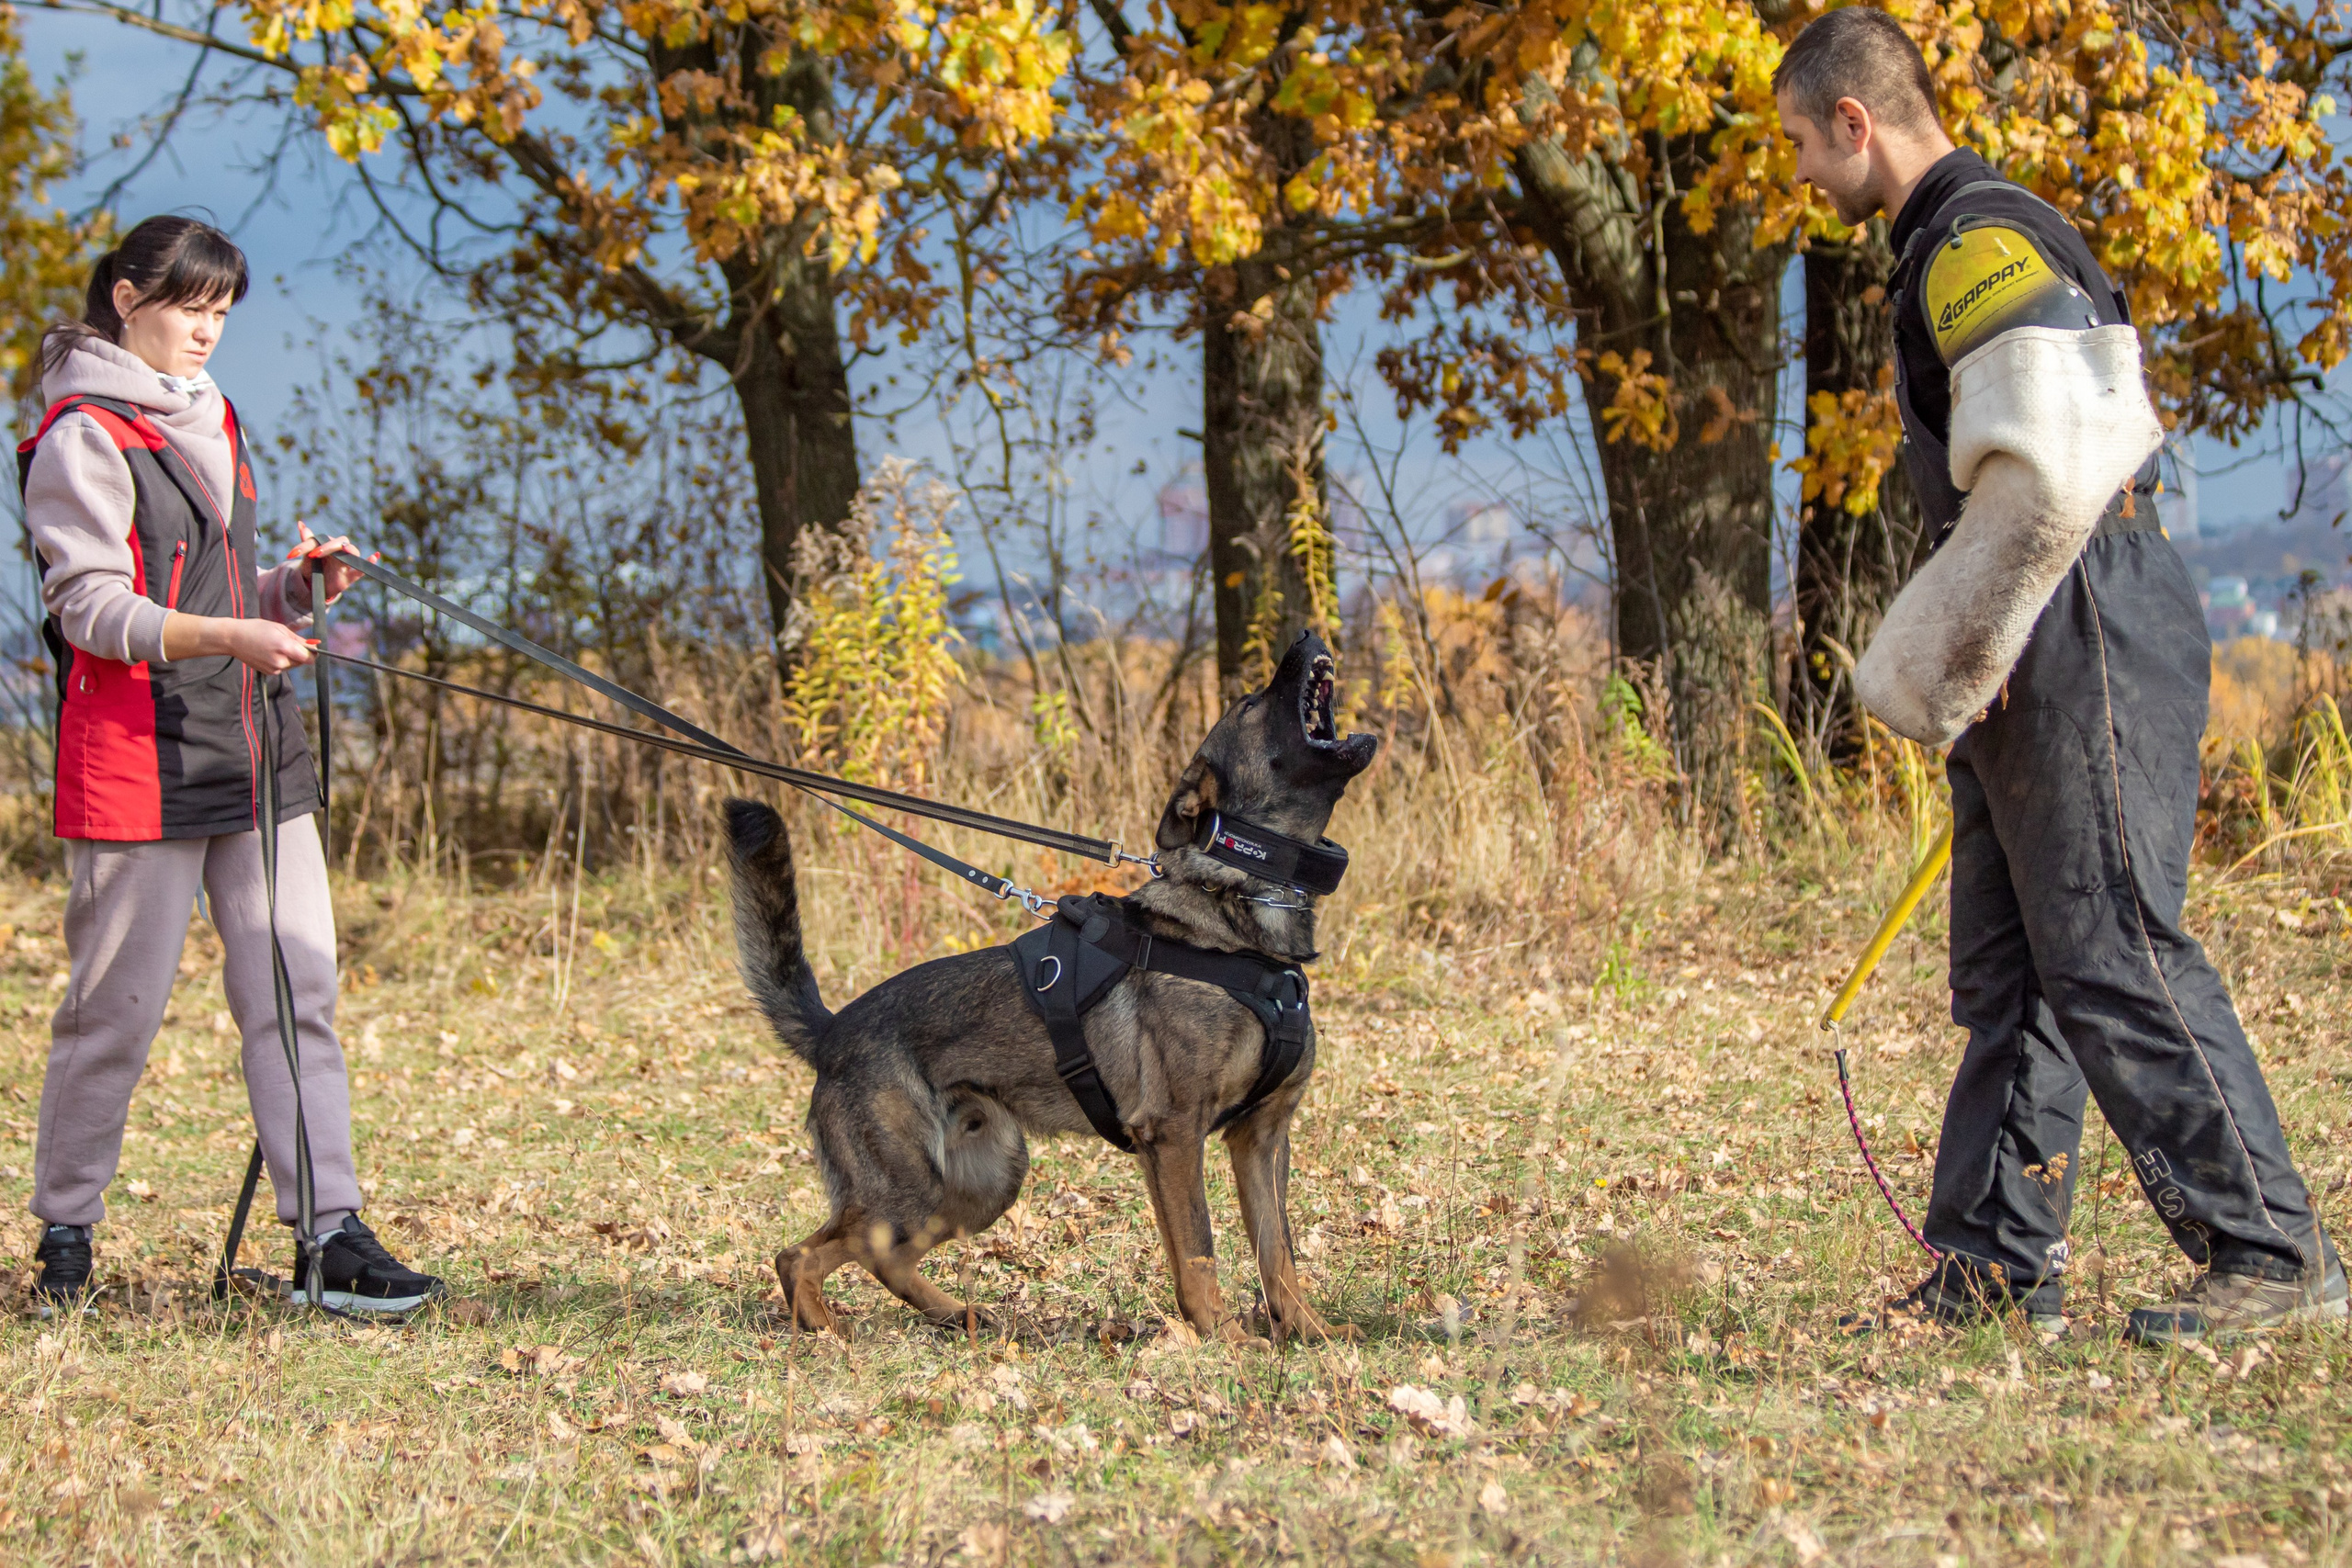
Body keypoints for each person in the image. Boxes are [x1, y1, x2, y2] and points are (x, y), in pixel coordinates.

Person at [1775, 11, 2343, 1345]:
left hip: (2072, 620)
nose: (1802, 171)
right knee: (2012, 972)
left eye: (1804, 143)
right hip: (2037, 635)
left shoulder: (1976, 238)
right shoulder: (1948, 243)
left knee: (2112, 944)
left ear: (1857, 123)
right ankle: (1991, 1270)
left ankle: (2271, 1250)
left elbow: (2059, 462)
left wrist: (1946, 656)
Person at [23, 216, 444, 1316]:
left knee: (296, 989)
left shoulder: (215, 417)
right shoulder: (82, 435)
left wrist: (299, 593)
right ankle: (67, 1232)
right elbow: (91, 609)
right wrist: (231, 637)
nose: (208, 332)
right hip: (133, 758)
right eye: (189, 309)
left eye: (220, 313)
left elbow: (222, 596)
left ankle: (328, 1235)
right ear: (125, 299)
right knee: (112, 1012)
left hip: (253, 747)